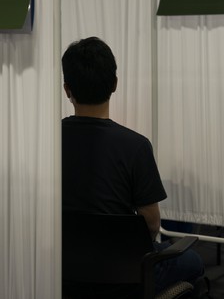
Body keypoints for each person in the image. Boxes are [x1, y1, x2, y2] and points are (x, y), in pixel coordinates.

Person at [61, 36, 205, 297]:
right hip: (126, 278)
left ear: (67, 89)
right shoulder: (135, 146)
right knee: (192, 261)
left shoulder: (46, 143)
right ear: (114, 84)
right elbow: (151, 224)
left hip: (61, 274)